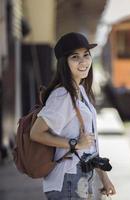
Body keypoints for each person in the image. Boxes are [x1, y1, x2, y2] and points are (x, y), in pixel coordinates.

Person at [30, 32, 116, 199]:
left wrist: (104, 177)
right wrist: (74, 143)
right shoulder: (62, 95)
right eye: (75, 57)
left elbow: (90, 143)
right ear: (64, 63)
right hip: (68, 179)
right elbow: (36, 133)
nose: (83, 62)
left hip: (82, 176)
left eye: (86, 55)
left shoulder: (80, 90)